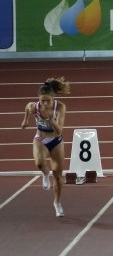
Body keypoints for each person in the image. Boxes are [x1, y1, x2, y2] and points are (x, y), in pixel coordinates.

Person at [20, 78, 70, 217]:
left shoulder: (60, 107)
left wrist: (50, 119)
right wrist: (25, 120)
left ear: (53, 98)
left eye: (48, 100)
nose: (45, 103)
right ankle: (44, 174)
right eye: (42, 100)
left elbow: (59, 130)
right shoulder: (35, 106)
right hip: (40, 139)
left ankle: (57, 203)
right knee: (39, 163)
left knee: (58, 177)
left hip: (56, 141)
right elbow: (27, 107)